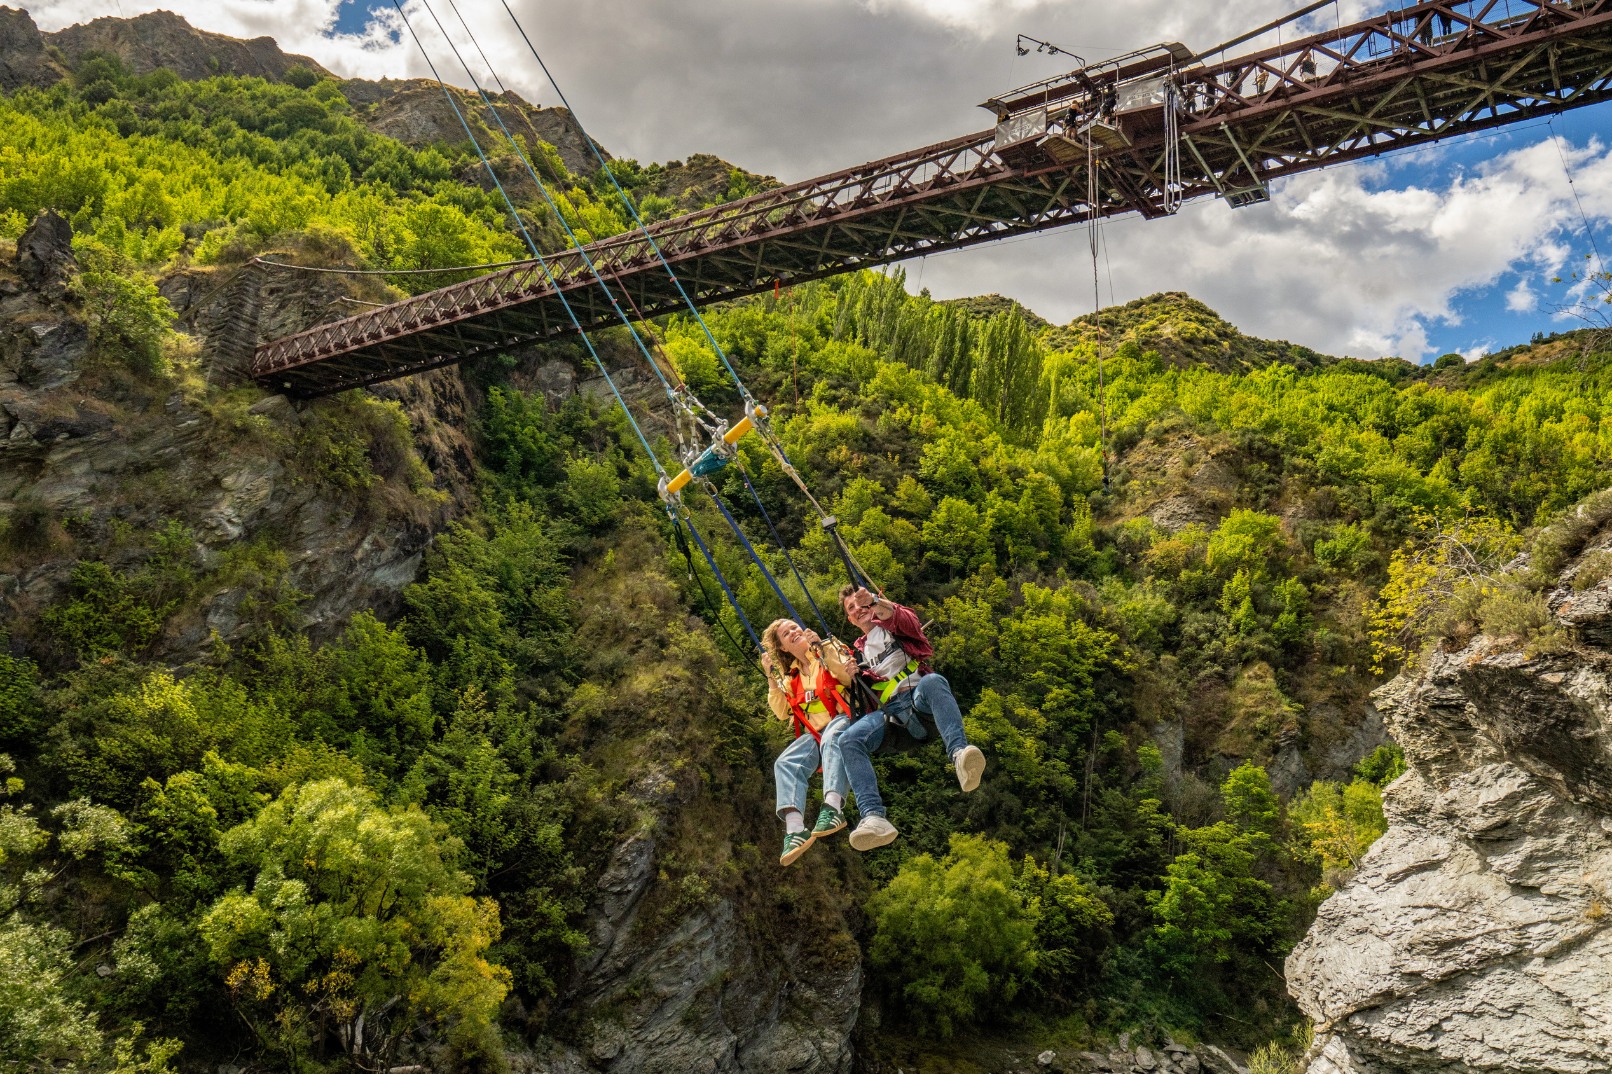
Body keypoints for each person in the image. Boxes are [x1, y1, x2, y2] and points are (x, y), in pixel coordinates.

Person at [836, 586, 986, 851]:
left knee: (933, 681)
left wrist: (874, 601)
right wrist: (854, 675)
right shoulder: (857, 653)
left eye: (860, 603)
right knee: (848, 739)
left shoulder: (895, 622)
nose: (858, 610)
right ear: (850, 619)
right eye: (852, 608)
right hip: (892, 717)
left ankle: (960, 754)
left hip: (919, 699)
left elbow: (904, 619)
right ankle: (872, 816)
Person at [762, 619, 860, 866]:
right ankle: (795, 829)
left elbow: (847, 678)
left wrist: (822, 647)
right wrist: (771, 678)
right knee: (784, 763)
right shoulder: (791, 677)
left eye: (794, 627)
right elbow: (783, 711)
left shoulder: (825, 649)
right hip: (816, 734)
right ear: (783, 647)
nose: (794, 632)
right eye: (787, 633)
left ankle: (833, 806)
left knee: (831, 737)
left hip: (844, 719)